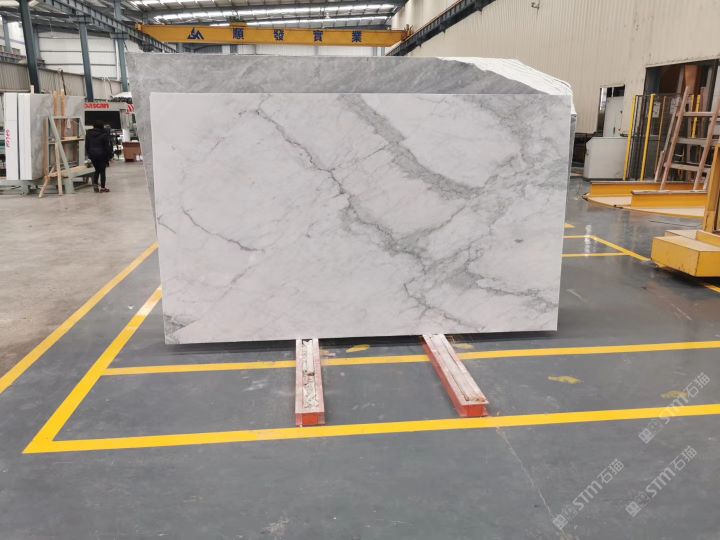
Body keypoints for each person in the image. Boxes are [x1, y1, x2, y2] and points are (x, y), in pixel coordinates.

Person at [85, 121, 113, 193]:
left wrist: (89, 154)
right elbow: (107, 146)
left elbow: (87, 145)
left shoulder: (88, 133)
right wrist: (110, 155)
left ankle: (95, 185)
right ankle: (103, 188)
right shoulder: (104, 134)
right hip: (102, 155)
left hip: (92, 154)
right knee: (102, 171)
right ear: (102, 126)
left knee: (97, 170)